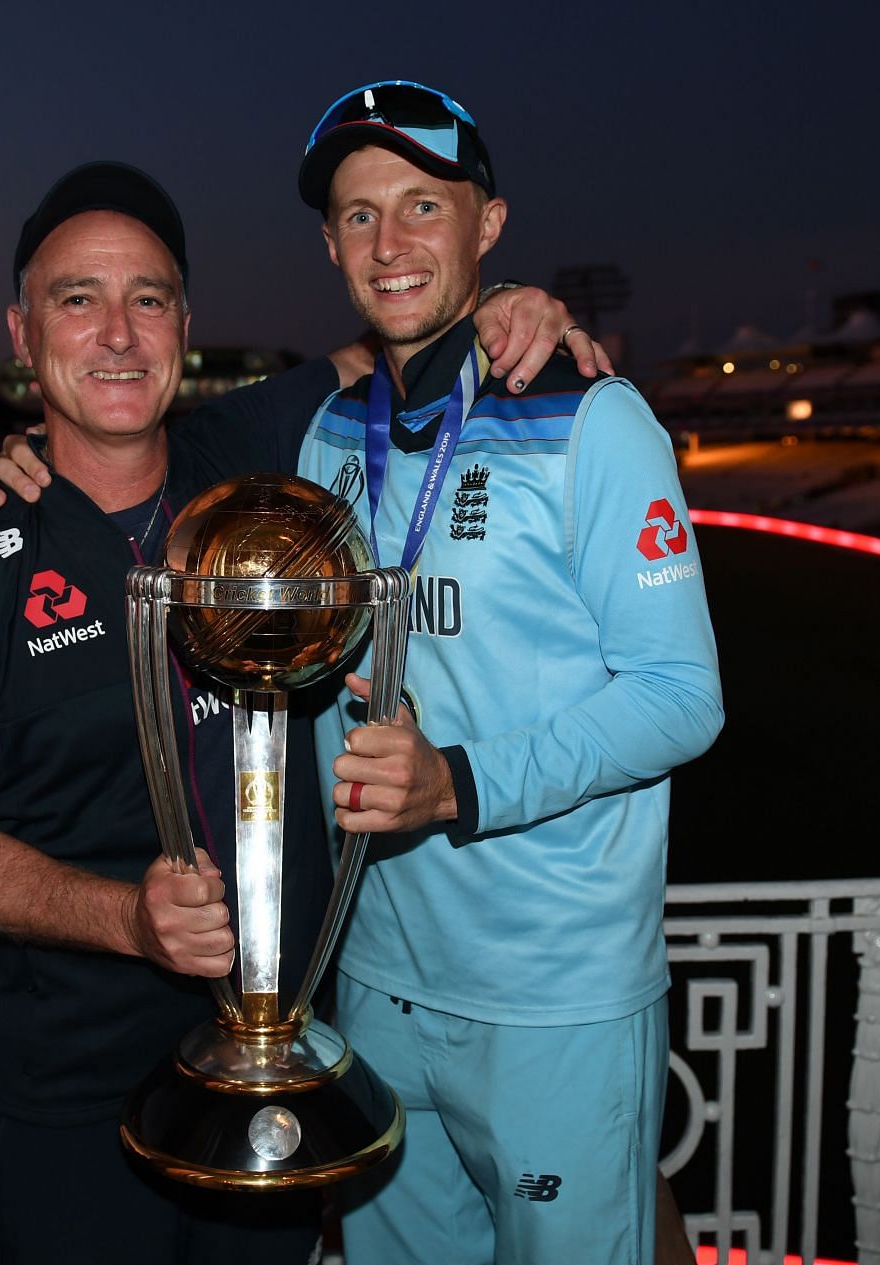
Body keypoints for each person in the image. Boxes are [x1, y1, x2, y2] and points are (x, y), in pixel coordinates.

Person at [0, 160, 600, 1265]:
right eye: (78, 300)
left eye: (148, 299)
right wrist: (128, 919)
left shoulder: (260, 448)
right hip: (78, 1100)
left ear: (185, 326)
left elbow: (399, 339)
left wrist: (509, 305)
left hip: (293, 1075)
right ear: (22, 334)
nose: (117, 333)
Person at [288, 81, 724, 1265]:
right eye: (360, 214)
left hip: (555, 998)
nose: (391, 242)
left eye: (423, 204)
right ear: (330, 244)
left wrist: (460, 786)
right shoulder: (328, 434)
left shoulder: (595, 416)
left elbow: (685, 697)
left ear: (489, 224)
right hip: (375, 977)